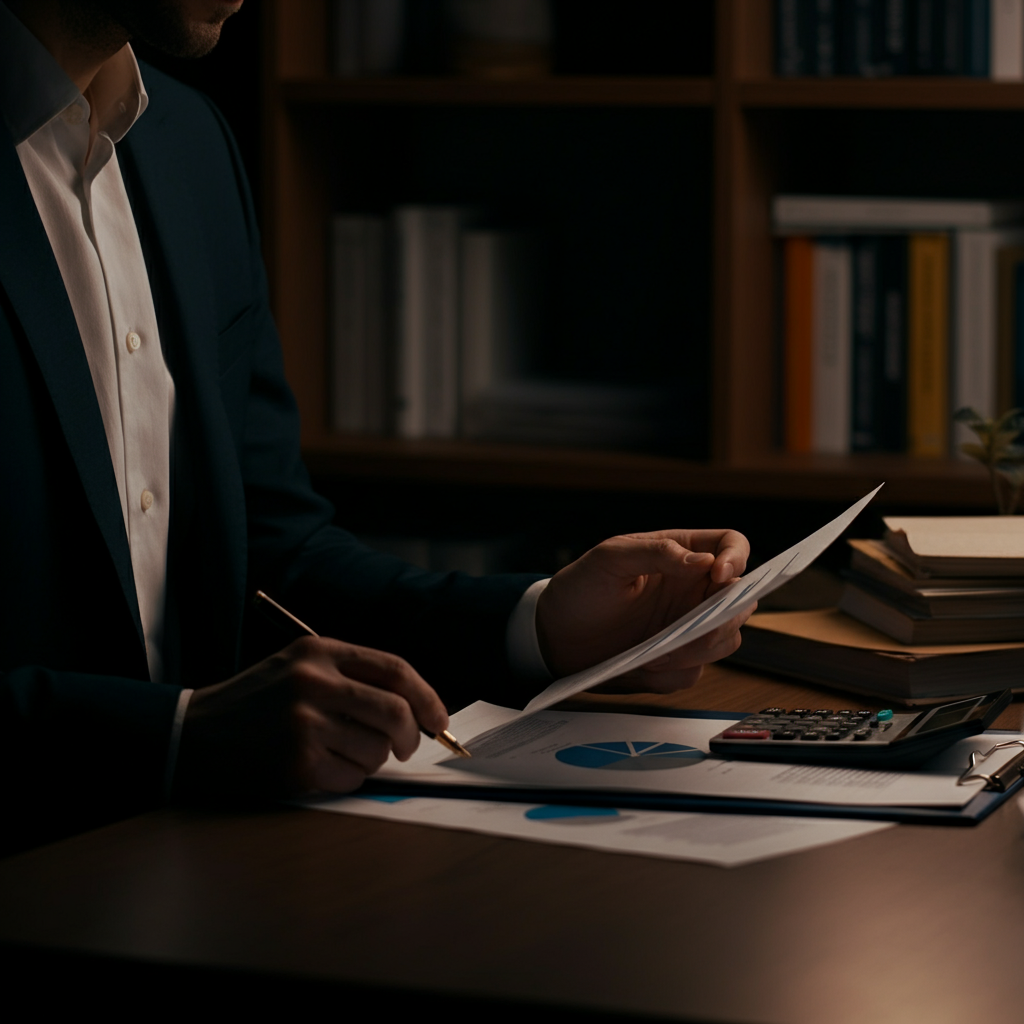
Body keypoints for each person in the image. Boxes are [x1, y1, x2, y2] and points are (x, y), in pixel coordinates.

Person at [0, 0, 753, 853]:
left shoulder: (186, 144)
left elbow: (272, 559)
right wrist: (176, 735)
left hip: (195, 865)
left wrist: (539, 625)